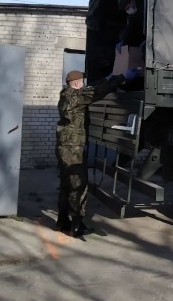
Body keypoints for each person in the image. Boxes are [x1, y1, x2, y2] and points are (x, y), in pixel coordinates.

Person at [56, 68, 139, 237]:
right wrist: (122, 77)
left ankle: (63, 220)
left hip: (65, 147)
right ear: (78, 83)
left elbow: (92, 89)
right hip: (74, 149)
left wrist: (107, 77)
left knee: (66, 185)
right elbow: (97, 92)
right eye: (83, 82)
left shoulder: (66, 95)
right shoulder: (77, 96)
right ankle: (77, 226)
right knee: (78, 186)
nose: (85, 84)